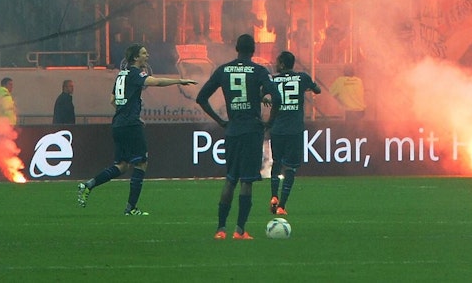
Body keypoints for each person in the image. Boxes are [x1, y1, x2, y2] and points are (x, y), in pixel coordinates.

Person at [77, 45, 197, 214]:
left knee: (122, 165)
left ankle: (89, 184)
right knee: (141, 163)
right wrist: (179, 80)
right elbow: (155, 82)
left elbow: (113, 100)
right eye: (143, 53)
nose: (147, 55)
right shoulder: (134, 73)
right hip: (130, 125)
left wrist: (128, 113)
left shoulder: (121, 75)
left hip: (118, 123)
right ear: (135, 58)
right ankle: (131, 208)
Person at [197, 34, 274, 239]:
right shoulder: (258, 70)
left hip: (232, 130)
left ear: (236, 48)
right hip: (251, 131)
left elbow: (201, 98)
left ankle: (220, 229)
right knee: (247, 181)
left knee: (230, 179)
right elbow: (276, 95)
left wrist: (221, 121)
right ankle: (240, 230)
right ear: (253, 50)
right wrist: (269, 122)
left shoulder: (223, 70)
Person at [267, 51, 322, 215]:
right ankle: (282, 206)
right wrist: (307, 87)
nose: (275, 65)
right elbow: (317, 90)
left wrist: (265, 99)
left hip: (277, 128)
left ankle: (274, 195)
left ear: (282, 64)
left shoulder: (274, 79)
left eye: (277, 62)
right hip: (294, 130)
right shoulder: (303, 77)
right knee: (290, 167)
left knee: (276, 162)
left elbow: (261, 93)